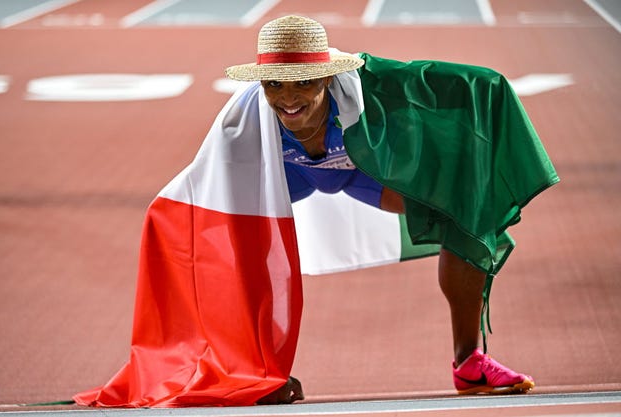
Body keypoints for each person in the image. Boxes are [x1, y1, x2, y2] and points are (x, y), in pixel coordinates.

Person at [74, 15, 558, 407]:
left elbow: (441, 84)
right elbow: (202, 191)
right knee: (217, 247)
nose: (288, 99)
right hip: (289, 179)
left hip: (364, 172)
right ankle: (251, 371)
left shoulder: (374, 91)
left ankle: (468, 361)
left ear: (327, 75)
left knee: (461, 214)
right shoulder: (241, 123)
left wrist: (492, 93)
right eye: (275, 85)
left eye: (302, 83)